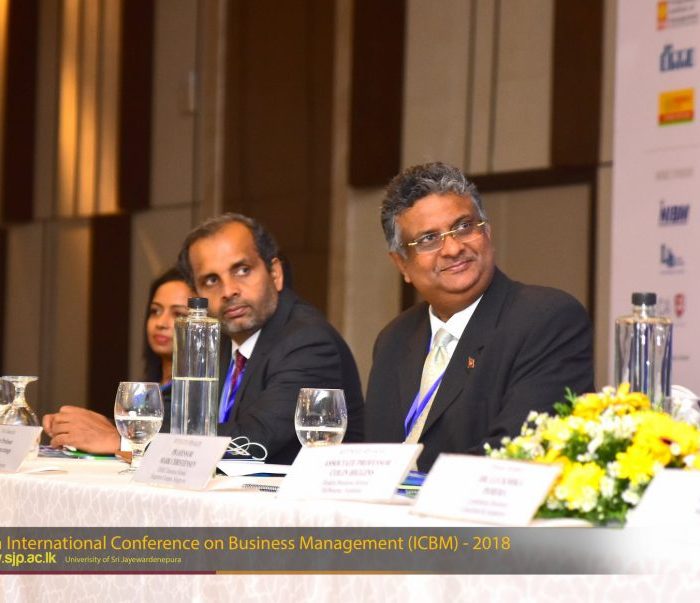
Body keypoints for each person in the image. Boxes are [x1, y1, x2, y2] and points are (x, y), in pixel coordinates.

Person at [364, 162, 594, 471]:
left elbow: (518, 452)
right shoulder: (394, 338)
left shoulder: (546, 319)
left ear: (486, 231)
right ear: (402, 264)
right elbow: (375, 456)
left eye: (463, 227)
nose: (453, 248)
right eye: (429, 239)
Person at [176, 213, 364, 463]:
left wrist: (154, 440)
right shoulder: (218, 338)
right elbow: (174, 412)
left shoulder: (308, 342)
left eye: (242, 270)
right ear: (195, 294)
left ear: (275, 273)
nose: (228, 291)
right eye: (211, 280)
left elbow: (253, 442)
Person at [42, 268, 193, 452]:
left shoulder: (200, 394)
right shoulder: (145, 387)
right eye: (155, 311)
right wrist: (78, 426)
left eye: (178, 314)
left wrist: (112, 436)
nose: (160, 323)